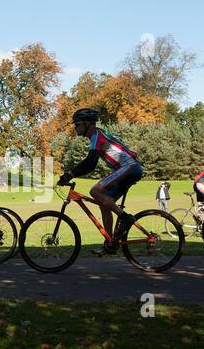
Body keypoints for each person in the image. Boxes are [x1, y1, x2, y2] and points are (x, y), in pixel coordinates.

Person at [57, 108, 143, 255]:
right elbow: (90, 163)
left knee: (95, 191)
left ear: (88, 124)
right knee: (104, 203)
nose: (75, 127)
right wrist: (70, 174)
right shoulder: (97, 136)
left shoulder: (97, 135)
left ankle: (126, 218)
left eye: (77, 124)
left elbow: (91, 162)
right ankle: (110, 243)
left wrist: (70, 174)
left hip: (129, 167)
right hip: (126, 168)